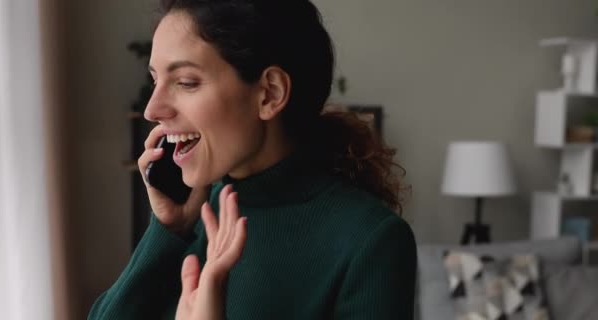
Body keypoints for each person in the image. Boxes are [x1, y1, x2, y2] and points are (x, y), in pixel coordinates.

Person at [88, 0, 417, 319]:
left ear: (270, 93)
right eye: (155, 81)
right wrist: (167, 230)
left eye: (185, 82)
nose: (152, 109)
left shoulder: (371, 241)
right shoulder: (193, 220)